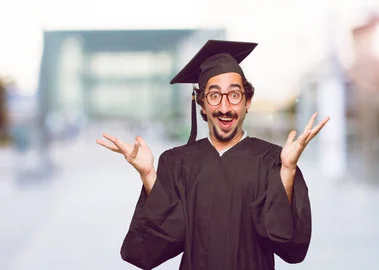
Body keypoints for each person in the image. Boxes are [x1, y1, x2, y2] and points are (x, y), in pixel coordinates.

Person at [96, 39, 329, 270]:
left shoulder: (272, 161)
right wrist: (148, 174)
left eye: (234, 95)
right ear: (202, 103)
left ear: (248, 101)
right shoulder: (176, 162)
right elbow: (163, 240)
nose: (225, 107)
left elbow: (287, 244)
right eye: (214, 96)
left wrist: (287, 169)